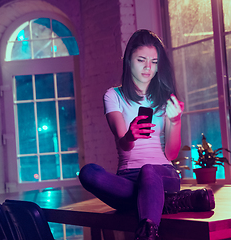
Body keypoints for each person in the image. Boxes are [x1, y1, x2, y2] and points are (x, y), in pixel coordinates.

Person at [78, 29, 215, 240]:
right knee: (88, 173)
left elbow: (170, 153)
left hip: (162, 175)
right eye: (141, 60)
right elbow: (123, 143)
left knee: (148, 171)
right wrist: (131, 135)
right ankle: (171, 201)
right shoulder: (113, 96)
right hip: (127, 179)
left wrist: (176, 121)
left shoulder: (164, 98)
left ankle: (147, 233)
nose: (148, 67)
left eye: (154, 61)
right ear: (128, 60)